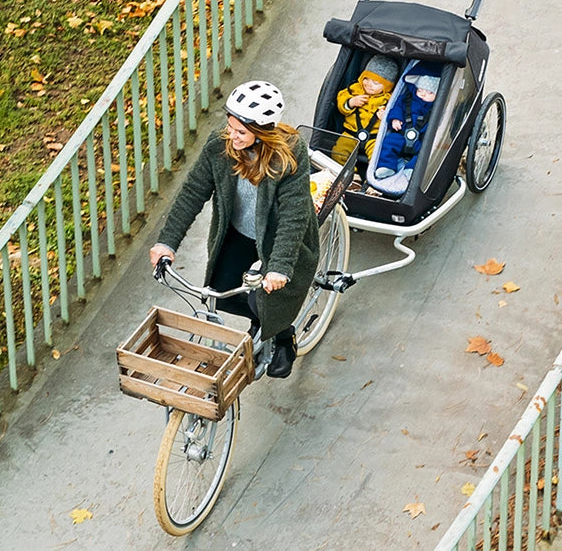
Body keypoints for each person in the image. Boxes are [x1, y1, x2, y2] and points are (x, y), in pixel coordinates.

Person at [148, 81, 320, 378]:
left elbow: (294, 215)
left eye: (240, 131)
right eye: (230, 127)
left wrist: (278, 268)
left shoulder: (290, 156)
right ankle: (267, 319)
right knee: (221, 293)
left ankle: (283, 336)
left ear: (262, 132)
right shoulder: (220, 147)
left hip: (277, 239)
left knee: (266, 299)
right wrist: (167, 243)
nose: (232, 135)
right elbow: (192, 193)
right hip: (238, 234)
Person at [330, 55, 398, 163]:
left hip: (374, 137)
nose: (369, 84)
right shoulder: (355, 89)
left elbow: (397, 113)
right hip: (350, 132)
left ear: (387, 86)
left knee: (379, 156)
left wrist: (387, 115)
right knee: (338, 153)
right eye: (366, 79)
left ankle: (372, 176)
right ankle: (350, 175)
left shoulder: (388, 99)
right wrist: (351, 102)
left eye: (375, 83)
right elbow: (341, 100)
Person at [375, 74, 440, 180]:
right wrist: (395, 118)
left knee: (425, 152)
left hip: (421, 139)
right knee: (389, 141)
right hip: (401, 133)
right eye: (420, 90)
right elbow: (397, 107)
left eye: (430, 93)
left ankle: (411, 170)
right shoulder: (407, 99)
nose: (423, 95)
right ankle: (386, 166)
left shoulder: (436, 107)